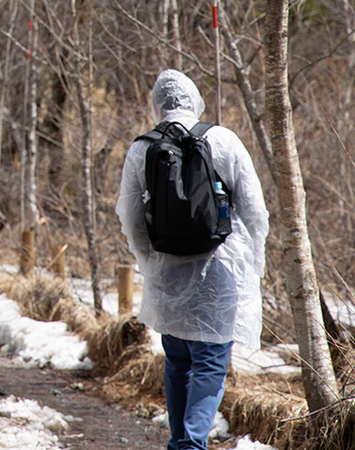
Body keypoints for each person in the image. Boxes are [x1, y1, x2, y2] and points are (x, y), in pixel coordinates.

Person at [116, 70, 268, 450]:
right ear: (195, 98)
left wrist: (150, 263)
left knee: (178, 361)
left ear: (158, 103)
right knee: (211, 364)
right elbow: (255, 211)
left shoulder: (142, 148)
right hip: (222, 271)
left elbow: (131, 217)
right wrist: (255, 265)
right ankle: (191, 444)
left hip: (169, 276)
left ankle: (180, 439)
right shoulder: (223, 139)